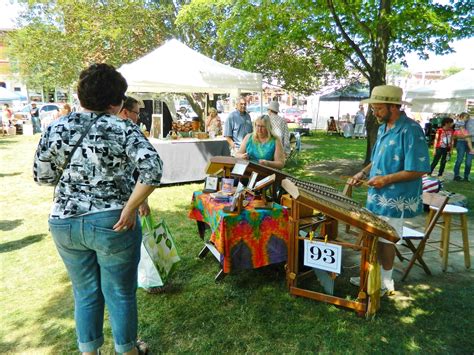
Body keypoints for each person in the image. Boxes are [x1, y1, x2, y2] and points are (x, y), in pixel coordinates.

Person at [34, 63, 163, 355]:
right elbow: (152, 171)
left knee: (84, 293)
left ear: (81, 96)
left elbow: (42, 177)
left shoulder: (56, 127)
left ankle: (89, 352)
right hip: (112, 221)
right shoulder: (122, 127)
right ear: (116, 101)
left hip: (64, 222)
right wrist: (131, 207)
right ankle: (127, 350)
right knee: (119, 293)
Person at [349, 85, 430, 295]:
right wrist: (362, 173)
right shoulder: (384, 127)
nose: (374, 113)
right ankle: (370, 275)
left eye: (378, 108)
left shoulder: (411, 130)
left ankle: (385, 282)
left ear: (393, 107)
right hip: (377, 195)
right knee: (372, 236)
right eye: (373, 108)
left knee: (386, 240)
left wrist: (385, 179)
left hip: (396, 198)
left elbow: (418, 169)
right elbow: (376, 160)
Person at [453, 112, 474, 182]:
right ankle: (456, 175)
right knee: (459, 160)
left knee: (469, 162)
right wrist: (466, 136)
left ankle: (466, 177)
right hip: (461, 142)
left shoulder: (465, 119)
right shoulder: (464, 119)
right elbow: (456, 134)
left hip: (471, 142)